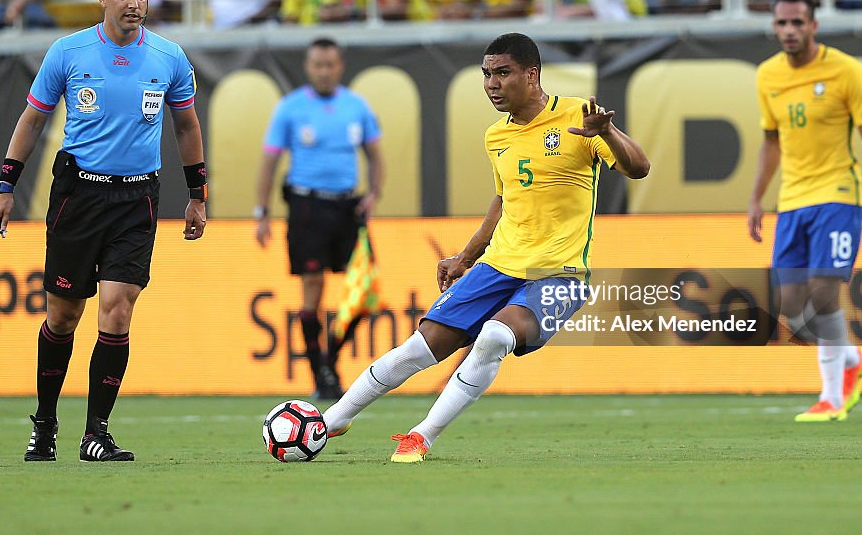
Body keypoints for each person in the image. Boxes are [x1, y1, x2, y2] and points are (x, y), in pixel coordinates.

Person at [322, 32, 649, 461]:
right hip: (497, 266)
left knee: (495, 336)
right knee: (417, 349)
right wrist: (465, 256)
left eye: (502, 73)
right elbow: (504, 200)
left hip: (558, 274)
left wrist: (607, 132)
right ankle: (331, 422)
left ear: (531, 75)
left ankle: (422, 436)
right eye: (486, 74)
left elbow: (639, 167)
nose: (491, 83)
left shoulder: (578, 117)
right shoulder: (497, 136)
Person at [0, 0, 208, 461]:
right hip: (78, 195)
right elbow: (32, 119)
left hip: (137, 198)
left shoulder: (169, 57)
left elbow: (187, 127)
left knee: (118, 310)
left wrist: (197, 195)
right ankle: (45, 423)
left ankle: (96, 433)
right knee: (63, 317)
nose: (135, 4)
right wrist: (6, 184)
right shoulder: (69, 52)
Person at [747, 0, 862, 422]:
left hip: (839, 196)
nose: (789, 31)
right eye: (782, 23)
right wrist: (756, 198)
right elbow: (771, 142)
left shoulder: (844, 70)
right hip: (792, 202)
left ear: (813, 26)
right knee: (792, 313)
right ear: (774, 28)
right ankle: (851, 360)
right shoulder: (768, 76)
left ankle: (832, 397)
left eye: (798, 22)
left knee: (823, 297)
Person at [254, 37, 383, 401]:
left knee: (365, 292)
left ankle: (329, 358)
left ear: (339, 67)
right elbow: (269, 161)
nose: (323, 71)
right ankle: (322, 375)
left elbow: (376, 154)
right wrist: (261, 212)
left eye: (330, 65)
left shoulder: (356, 106)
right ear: (308, 68)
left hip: (348, 206)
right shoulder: (291, 108)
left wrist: (375, 193)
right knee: (313, 288)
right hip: (307, 207)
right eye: (317, 65)